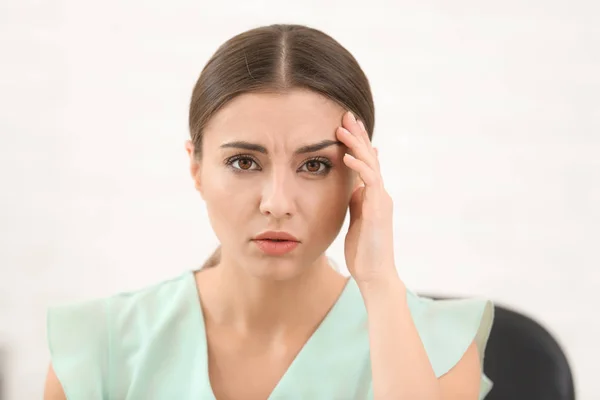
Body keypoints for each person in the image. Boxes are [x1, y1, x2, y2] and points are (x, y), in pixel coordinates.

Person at [43, 24, 494, 399]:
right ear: (196, 168)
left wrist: (380, 283)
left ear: (360, 176)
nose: (277, 203)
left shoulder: (438, 348)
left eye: (315, 165)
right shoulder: (96, 349)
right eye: (244, 162)